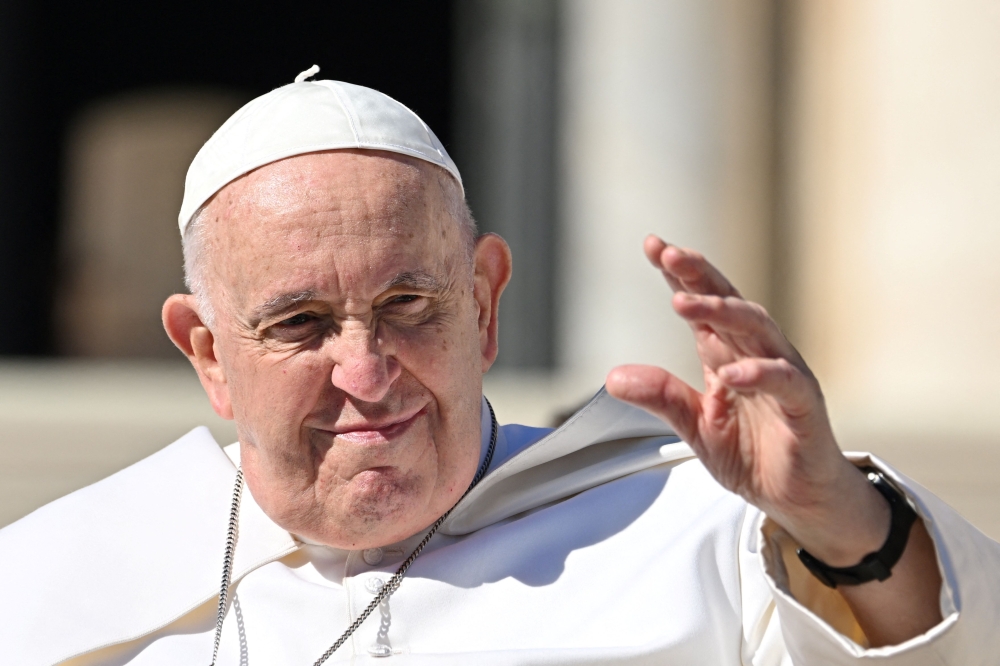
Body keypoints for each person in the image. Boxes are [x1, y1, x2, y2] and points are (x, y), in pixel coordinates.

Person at [1, 70, 998, 666]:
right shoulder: (54, 583)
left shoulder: (708, 539)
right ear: (210, 354)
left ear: (482, 301)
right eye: (302, 323)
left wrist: (836, 519)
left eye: (407, 306)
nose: (368, 371)